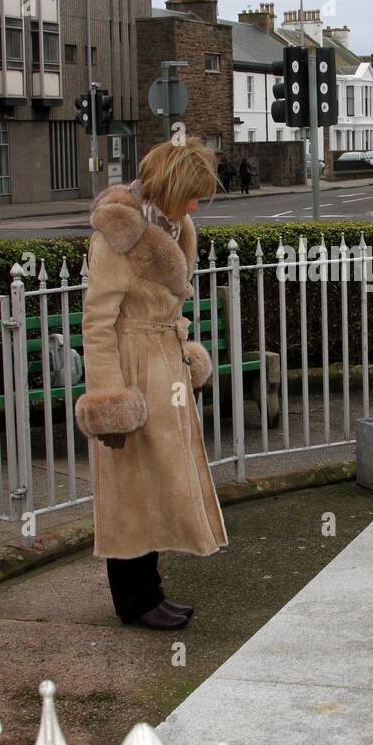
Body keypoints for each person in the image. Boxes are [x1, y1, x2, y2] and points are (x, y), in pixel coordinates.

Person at [75, 137, 227, 630]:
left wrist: (184, 355)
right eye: (191, 193)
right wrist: (109, 402)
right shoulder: (117, 234)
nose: (195, 204)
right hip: (131, 370)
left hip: (164, 367)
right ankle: (135, 600)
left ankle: (150, 590)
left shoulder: (175, 225)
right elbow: (97, 322)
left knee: (160, 481)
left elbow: (166, 308)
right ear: (170, 187)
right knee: (128, 488)